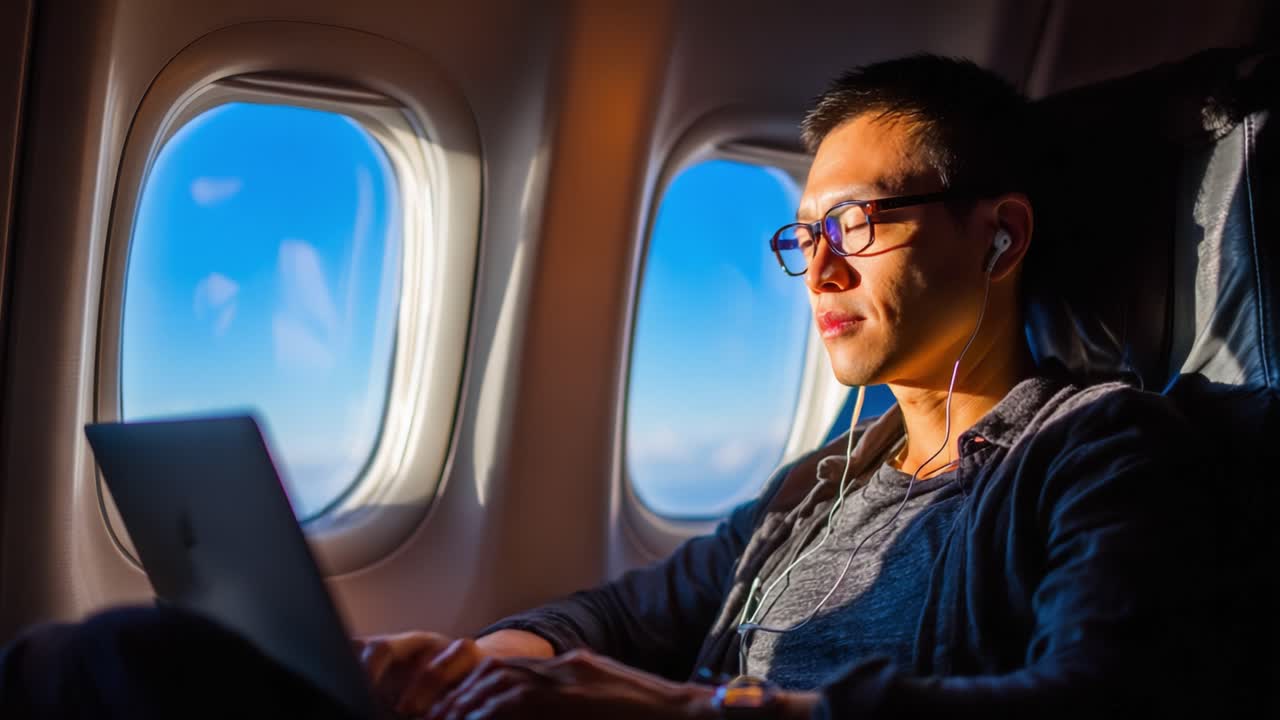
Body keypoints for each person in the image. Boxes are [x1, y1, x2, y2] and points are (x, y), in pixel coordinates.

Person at [0, 54, 1205, 719]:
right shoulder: (823, 481)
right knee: (111, 660)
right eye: (801, 236)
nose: (818, 267)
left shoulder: (1098, 450)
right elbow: (628, 619)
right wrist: (480, 663)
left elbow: (1088, 702)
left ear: (997, 237)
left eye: (857, 223)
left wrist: (683, 713)